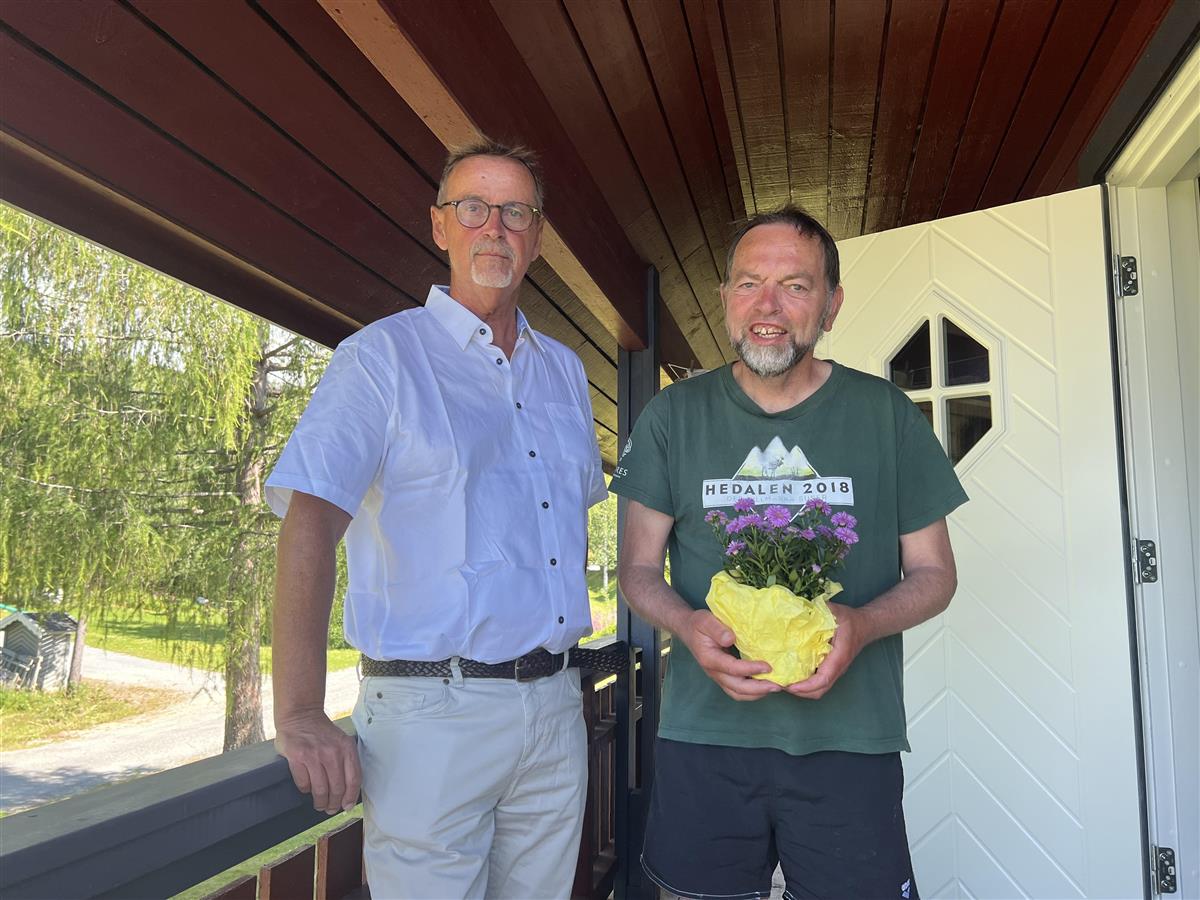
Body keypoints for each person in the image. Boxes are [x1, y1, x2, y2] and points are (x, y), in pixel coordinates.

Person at [265, 138, 610, 899]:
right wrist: (299, 710)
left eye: (516, 212)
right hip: (431, 715)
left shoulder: (565, 372)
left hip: (556, 706)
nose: (495, 228)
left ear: (538, 236)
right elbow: (309, 521)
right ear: (440, 225)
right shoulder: (381, 359)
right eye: (474, 208)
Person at [610, 206, 968, 900]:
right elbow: (637, 570)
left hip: (849, 739)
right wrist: (685, 624)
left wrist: (861, 624)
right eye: (749, 284)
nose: (767, 306)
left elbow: (935, 574)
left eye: (795, 286)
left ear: (832, 305)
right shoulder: (673, 416)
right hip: (705, 736)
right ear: (725, 299)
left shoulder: (886, 414)